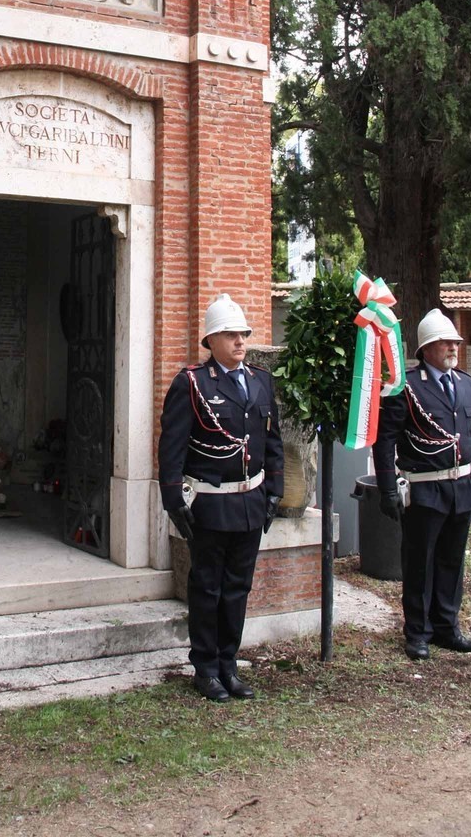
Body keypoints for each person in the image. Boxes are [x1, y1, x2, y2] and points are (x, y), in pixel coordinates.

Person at [158, 294, 284, 701]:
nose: (240, 341)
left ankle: (229, 665)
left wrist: (274, 491)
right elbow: (172, 445)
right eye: (230, 334)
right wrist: (172, 497)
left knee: (238, 587)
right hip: (210, 504)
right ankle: (205, 668)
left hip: (250, 502)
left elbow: (273, 442)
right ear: (211, 340)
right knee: (207, 587)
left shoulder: (262, 381)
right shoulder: (192, 383)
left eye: (243, 334)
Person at [373, 308, 471, 661]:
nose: (453, 347)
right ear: (427, 348)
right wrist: (389, 489)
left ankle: (447, 626)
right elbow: (385, 440)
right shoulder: (406, 387)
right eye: (445, 342)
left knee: (452, 561)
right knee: (420, 562)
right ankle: (417, 632)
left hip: (461, 488)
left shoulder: (465, 383)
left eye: (455, 342)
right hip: (425, 490)